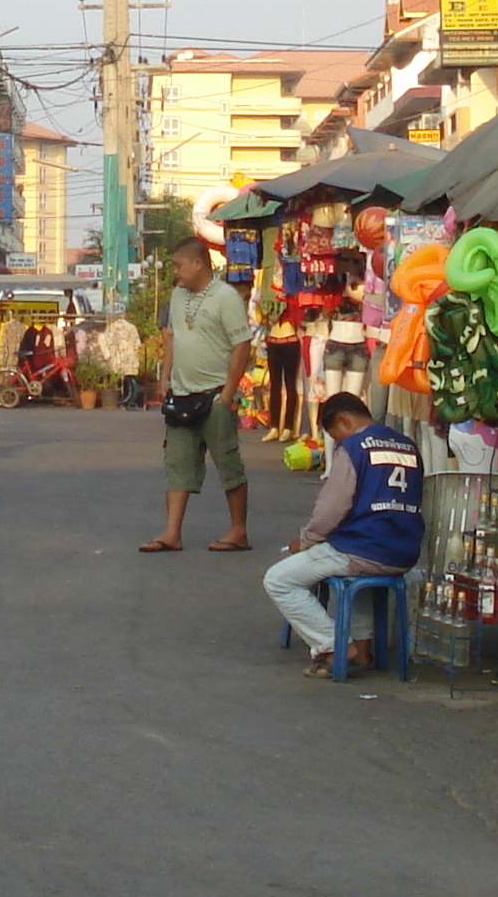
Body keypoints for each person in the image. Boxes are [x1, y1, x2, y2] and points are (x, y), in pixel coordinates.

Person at [265, 391, 423, 674]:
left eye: (335, 436)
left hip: (363, 547)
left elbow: (332, 507)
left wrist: (306, 541)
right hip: (404, 551)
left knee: (278, 580)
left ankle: (335, 646)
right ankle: (362, 649)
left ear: (344, 421)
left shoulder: (355, 446)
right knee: (357, 579)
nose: (337, 442)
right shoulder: (407, 445)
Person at [142, 237, 255, 553]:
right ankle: (171, 532)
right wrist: (166, 377)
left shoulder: (225, 297)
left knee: (228, 464)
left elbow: (241, 344)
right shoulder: (178, 296)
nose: (175, 272)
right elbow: (172, 338)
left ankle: (238, 530)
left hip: (215, 394)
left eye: (179, 265)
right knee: (177, 463)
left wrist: (228, 394)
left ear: (198, 264)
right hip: (181, 394)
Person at [257, 279, 304, 442]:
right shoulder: (268, 290)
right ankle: (274, 426)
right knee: (274, 385)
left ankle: (288, 427)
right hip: (273, 340)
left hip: (290, 340)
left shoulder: (293, 291)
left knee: (290, 384)